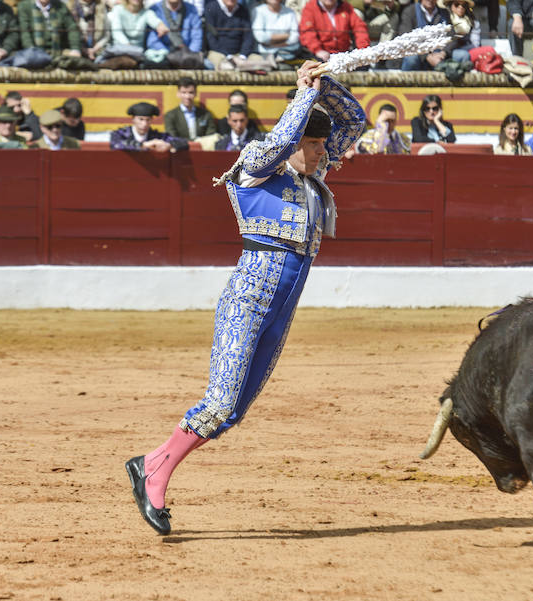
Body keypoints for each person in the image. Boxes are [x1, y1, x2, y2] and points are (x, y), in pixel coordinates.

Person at [125, 61, 366, 536]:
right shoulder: (258, 165)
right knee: (218, 402)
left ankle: (150, 463)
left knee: (233, 411)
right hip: (249, 298)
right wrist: (302, 95)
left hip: (282, 308)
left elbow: (354, 122)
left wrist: (322, 83)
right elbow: (280, 143)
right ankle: (155, 472)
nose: (323, 153)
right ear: (296, 142)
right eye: (314, 145)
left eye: (322, 145)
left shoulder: (309, 177)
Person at [10, 0, 82, 68]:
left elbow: (72, 28)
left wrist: (75, 49)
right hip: (35, 54)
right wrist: (32, 51)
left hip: (58, 52)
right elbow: (24, 32)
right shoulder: (24, 6)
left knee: (79, 62)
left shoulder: (60, 6)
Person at [98, 0, 168, 66]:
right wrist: (128, 46)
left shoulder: (146, 13)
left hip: (138, 53)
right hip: (120, 50)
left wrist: (160, 26)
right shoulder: (118, 10)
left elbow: (155, 21)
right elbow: (117, 33)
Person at [299, 0, 370, 62]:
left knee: (364, 63)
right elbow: (307, 32)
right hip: (319, 55)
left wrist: (363, 49)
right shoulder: (310, 8)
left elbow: (360, 28)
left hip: (344, 54)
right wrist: (318, 50)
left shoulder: (346, 7)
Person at [164, 77, 221, 149]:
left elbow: (211, 136)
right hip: (180, 152)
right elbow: (172, 137)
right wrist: (195, 142)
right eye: (184, 92)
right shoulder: (170, 115)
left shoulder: (205, 114)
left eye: (190, 92)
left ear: (195, 93)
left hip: (203, 151)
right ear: (178, 94)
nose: (187, 96)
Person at [397, 0, 455, 71]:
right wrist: (427, 56)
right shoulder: (410, 11)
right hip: (417, 53)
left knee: (462, 55)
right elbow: (406, 39)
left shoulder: (444, 13)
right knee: (411, 59)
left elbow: (452, 36)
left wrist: (443, 53)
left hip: (439, 53)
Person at [110, 102, 189, 152]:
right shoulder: (122, 134)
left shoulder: (157, 136)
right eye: (141, 119)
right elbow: (116, 143)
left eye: (148, 120)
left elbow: (183, 142)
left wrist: (169, 145)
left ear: (152, 120)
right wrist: (143, 145)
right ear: (133, 119)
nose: (144, 124)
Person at [145, 0, 204, 67]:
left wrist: (188, 55)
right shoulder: (155, 9)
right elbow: (152, 41)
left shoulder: (192, 9)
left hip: (188, 57)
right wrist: (170, 56)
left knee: (209, 65)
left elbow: (197, 38)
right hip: (164, 57)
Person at [205, 0, 260, 69]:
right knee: (224, 65)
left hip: (240, 54)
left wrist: (242, 56)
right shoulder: (211, 8)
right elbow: (211, 38)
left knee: (258, 60)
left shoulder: (243, 10)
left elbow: (248, 37)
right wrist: (229, 57)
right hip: (219, 53)